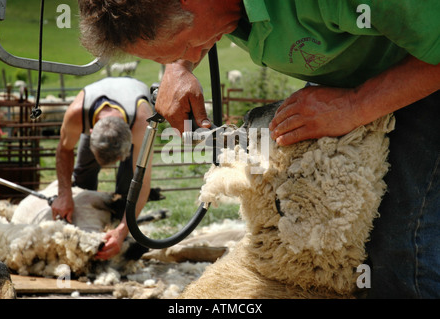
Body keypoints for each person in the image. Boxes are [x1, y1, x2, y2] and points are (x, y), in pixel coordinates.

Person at [77, 0, 440, 298]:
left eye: (186, 44)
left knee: (403, 246)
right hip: (349, 82)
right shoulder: (213, 11)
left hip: (423, 76)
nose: (195, 53)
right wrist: (177, 65)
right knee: (343, 245)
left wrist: (356, 107)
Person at [51, 77, 153, 260]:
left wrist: (122, 231)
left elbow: (143, 183)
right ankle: (85, 219)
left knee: (130, 179)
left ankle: (119, 227)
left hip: (133, 114)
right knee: (83, 171)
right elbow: (64, 149)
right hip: (98, 116)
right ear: (90, 132)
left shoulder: (142, 123)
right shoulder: (76, 115)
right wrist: (64, 193)